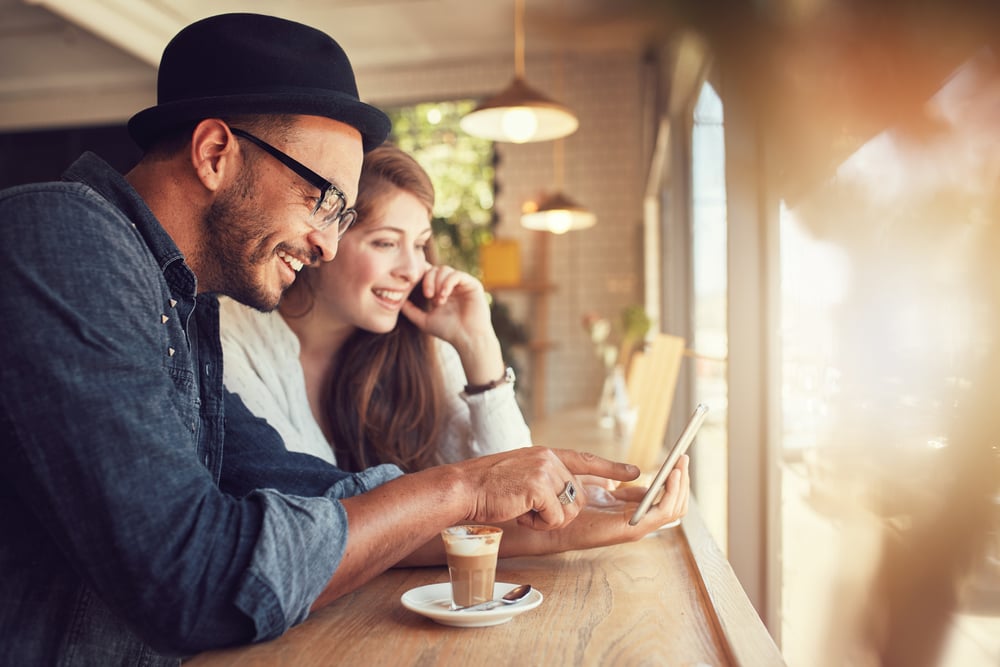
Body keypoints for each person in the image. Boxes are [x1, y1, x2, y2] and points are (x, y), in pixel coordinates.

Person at [0, 12, 690, 666]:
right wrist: (464, 489)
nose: (330, 243)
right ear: (215, 153)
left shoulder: (183, 303)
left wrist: (570, 524)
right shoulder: (62, 241)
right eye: (324, 200)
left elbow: (320, 498)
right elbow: (195, 575)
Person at [220, 143, 530, 470]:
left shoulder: (422, 346)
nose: (412, 270)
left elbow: (515, 485)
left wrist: (478, 345)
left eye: (420, 244)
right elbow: (300, 497)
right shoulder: (232, 338)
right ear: (323, 239)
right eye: (386, 243)